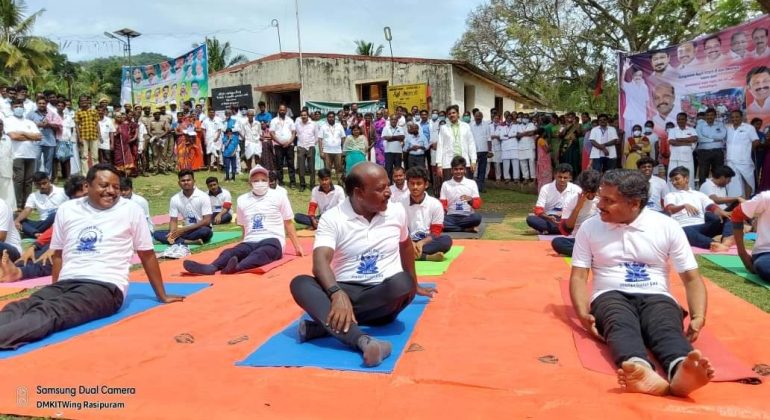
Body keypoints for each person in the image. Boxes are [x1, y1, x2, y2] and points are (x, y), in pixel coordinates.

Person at [0, 164, 184, 349]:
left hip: (104, 286)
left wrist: (162, 295)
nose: (111, 191)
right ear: (87, 187)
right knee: (19, 307)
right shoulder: (68, 209)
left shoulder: (130, 210)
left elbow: (147, 254)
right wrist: (55, 288)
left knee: (49, 311)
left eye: (116, 187)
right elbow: (58, 255)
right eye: (104, 186)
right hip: (67, 281)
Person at [570, 168, 714, 397]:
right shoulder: (590, 227)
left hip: (657, 294)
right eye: (600, 197)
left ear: (634, 203)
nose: (599, 205)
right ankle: (640, 369)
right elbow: (578, 276)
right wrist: (582, 314)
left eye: (608, 200)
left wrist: (698, 316)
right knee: (620, 324)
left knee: (665, 326)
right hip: (609, 294)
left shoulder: (666, 226)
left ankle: (680, 369)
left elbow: (691, 278)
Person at [289, 162, 436, 367]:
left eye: (388, 186)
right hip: (344, 289)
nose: (388, 193)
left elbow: (405, 246)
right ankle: (362, 340)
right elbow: (320, 260)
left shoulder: (396, 212)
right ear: (358, 193)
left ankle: (324, 327)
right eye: (380, 189)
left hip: (383, 296)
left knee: (404, 283)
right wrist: (336, 293)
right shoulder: (333, 218)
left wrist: (415, 284)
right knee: (300, 284)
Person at [184, 165, 304, 275]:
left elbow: (288, 222)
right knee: (230, 252)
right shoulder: (242, 200)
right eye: (256, 180)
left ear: (268, 182)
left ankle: (237, 267)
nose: (260, 183)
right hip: (250, 240)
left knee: (263, 252)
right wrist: (241, 244)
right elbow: (243, 225)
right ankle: (211, 267)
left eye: (263, 180)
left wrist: (297, 246)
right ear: (249, 183)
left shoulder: (279, 196)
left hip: (272, 239)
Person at [1, 175, 88, 282]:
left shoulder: (102, 211)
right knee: (32, 256)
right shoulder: (35, 196)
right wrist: (34, 246)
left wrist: (57, 247)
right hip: (46, 229)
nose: (82, 201)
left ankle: (19, 272)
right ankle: (13, 267)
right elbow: (54, 230)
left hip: (76, 245)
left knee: (51, 258)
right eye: (76, 199)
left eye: (84, 196)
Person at [664, 166, 730, 252]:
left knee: (729, 218)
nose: (674, 182)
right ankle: (713, 244)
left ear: (686, 179)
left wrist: (722, 212)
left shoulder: (699, 194)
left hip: (702, 226)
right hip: (685, 227)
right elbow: (670, 209)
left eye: (676, 179)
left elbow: (711, 206)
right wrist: (683, 206)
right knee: (683, 231)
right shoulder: (671, 195)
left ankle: (726, 241)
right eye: (672, 180)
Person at [402, 166, 452, 261]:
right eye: (412, 184)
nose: (415, 187)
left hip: (427, 241)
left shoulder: (435, 204)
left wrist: (420, 243)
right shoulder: (400, 204)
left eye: (419, 183)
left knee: (446, 241)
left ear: (426, 185)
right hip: (407, 241)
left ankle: (410, 254)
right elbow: (400, 230)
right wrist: (410, 242)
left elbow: (436, 232)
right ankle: (426, 256)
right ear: (407, 185)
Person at [153, 170, 213, 245]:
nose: (186, 182)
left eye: (188, 180)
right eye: (183, 180)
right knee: (156, 233)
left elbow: (207, 221)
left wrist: (183, 230)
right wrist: (172, 233)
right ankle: (188, 242)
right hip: (185, 232)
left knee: (206, 232)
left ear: (194, 181)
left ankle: (179, 241)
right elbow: (173, 220)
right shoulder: (175, 198)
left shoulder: (203, 196)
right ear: (179, 183)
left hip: (199, 229)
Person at [551, 170, 600, 257]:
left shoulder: (604, 198)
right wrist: (578, 208)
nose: (591, 195)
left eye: (594, 192)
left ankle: (589, 253)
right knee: (557, 242)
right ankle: (594, 254)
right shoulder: (571, 200)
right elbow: (565, 231)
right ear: (582, 188)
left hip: (599, 238)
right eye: (587, 192)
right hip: (580, 239)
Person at [526, 163, 581, 234]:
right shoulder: (546, 188)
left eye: (565, 178)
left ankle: (551, 230)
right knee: (530, 219)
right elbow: (538, 210)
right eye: (560, 177)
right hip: (550, 220)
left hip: (568, 220)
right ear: (555, 175)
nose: (562, 180)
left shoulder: (576, 189)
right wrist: (548, 217)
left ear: (570, 178)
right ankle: (561, 230)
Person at [7, 98, 42, 208]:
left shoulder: (29, 122)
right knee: (18, 180)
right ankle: (18, 203)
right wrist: (30, 136)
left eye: (20, 106)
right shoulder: (9, 120)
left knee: (28, 181)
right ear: (12, 108)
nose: (19, 108)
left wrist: (22, 132)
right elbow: (13, 136)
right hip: (17, 155)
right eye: (16, 106)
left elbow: (38, 136)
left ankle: (27, 203)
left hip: (31, 155)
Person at [14, 171, 67, 238]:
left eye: (44, 183)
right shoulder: (33, 196)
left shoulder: (62, 191)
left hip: (59, 220)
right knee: (17, 217)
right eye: (39, 184)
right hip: (42, 223)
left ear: (49, 181)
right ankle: (36, 234)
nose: (42, 186)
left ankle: (32, 232)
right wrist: (16, 221)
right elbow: (27, 210)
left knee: (56, 214)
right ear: (35, 185)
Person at [732, 189, 770, 283]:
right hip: (766, 253)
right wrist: (742, 253)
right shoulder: (766, 198)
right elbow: (737, 215)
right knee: (764, 267)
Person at [440, 156, 483, 233]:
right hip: (451, 216)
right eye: (456, 169)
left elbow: (477, 205)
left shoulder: (472, 183)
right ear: (451, 170)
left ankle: (453, 227)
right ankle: (465, 229)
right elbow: (442, 205)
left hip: (466, 216)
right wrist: (442, 212)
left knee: (477, 217)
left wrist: (471, 200)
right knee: (438, 221)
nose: (458, 171)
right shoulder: (446, 184)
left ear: (465, 170)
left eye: (461, 169)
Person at [435, 105, 477, 181]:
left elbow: (471, 144)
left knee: (465, 186)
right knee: (449, 186)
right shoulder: (443, 128)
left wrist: (473, 160)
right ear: (447, 116)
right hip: (448, 162)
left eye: (454, 113)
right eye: (449, 114)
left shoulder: (466, 126)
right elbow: (440, 146)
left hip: (464, 161)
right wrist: (439, 164)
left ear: (458, 114)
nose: (452, 115)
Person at [725, 109, 760, 199]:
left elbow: (756, 141)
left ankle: (747, 200)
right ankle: (736, 202)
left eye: (737, 117)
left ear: (742, 117)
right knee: (732, 182)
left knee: (747, 180)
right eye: (732, 117)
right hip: (731, 160)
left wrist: (747, 151)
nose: (734, 119)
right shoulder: (728, 128)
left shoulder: (749, 128)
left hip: (745, 160)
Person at [695, 108, 727, 187]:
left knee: (719, 173)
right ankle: (703, 193)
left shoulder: (720, 124)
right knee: (703, 173)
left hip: (718, 152)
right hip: (703, 152)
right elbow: (699, 138)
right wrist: (714, 139)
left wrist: (707, 136)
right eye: (708, 115)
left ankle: (719, 191)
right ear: (705, 116)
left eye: (712, 115)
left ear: (715, 116)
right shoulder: (700, 125)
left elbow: (722, 136)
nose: (709, 117)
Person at [668, 113, 698, 189]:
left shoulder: (692, 130)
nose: (680, 121)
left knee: (688, 177)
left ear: (686, 120)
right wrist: (687, 143)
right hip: (675, 158)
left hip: (687, 158)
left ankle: (688, 195)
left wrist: (680, 139)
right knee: (674, 176)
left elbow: (695, 138)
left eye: (682, 119)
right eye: (679, 119)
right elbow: (672, 142)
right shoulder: (672, 130)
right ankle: (673, 194)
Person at [270, 104, 297, 188]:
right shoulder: (274, 120)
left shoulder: (290, 120)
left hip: (289, 145)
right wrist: (280, 142)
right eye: (281, 110)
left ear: (286, 111)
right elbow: (272, 133)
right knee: (279, 165)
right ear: (278, 110)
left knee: (291, 164)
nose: (282, 111)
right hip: (278, 145)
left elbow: (294, 133)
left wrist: (289, 142)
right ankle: (280, 182)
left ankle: (292, 182)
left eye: (284, 110)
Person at [318, 111, 346, 183]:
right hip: (327, 151)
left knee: (339, 169)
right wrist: (321, 152)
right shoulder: (323, 127)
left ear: (334, 118)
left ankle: (340, 184)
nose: (331, 118)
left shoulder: (339, 126)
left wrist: (344, 150)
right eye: (329, 117)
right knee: (327, 170)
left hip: (338, 151)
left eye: (332, 117)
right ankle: (329, 184)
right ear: (327, 118)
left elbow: (343, 138)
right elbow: (320, 140)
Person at [295, 109, 319, 192]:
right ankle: (302, 185)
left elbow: (317, 136)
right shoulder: (297, 124)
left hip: (311, 147)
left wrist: (312, 144)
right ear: (300, 116)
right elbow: (296, 134)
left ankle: (312, 185)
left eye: (305, 115)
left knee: (311, 167)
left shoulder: (313, 124)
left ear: (308, 115)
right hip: (301, 147)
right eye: (302, 115)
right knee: (301, 167)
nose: (303, 117)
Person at [382, 114, 406, 181]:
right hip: (388, 151)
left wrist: (391, 138)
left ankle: (397, 183)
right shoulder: (386, 128)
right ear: (390, 120)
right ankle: (390, 184)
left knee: (398, 169)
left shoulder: (400, 128)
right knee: (388, 169)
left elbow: (402, 137)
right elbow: (385, 137)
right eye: (392, 119)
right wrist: (396, 138)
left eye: (395, 119)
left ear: (397, 120)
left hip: (398, 152)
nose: (393, 120)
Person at [239, 110, 262, 174]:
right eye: (249, 115)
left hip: (256, 142)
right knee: (248, 159)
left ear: (254, 116)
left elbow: (260, 133)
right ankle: (250, 173)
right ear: (247, 116)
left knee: (258, 158)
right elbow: (243, 134)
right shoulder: (244, 124)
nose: (250, 116)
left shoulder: (258, 123)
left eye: (252, 115)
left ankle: (258, 172)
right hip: (248, 143)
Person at [0, 120, 15, 210]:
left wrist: (13, 170)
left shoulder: (7, 138)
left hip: (6, 170)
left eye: (1, 124)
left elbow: (11, 155)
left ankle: (8, 212)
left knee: (8, 195)